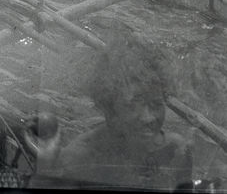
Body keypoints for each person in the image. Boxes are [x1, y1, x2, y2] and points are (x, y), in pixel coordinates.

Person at [25, 31, 194, 191]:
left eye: (156, 104)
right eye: (133, 105)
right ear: (109, 109)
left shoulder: (176, 151)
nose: (148, 118)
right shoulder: (78, 160)